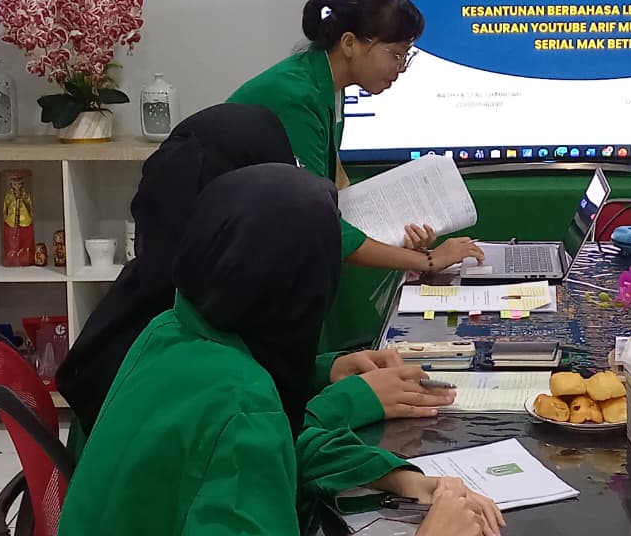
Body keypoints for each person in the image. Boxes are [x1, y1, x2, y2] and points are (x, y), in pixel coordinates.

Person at [58, 164, 504, 536]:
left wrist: (398, 477)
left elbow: (280, 448)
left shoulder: (171, 329)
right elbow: (249, 441)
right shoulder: (244, 400)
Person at [55, 103, 453, 457]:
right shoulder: (166, 344)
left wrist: (326, 371)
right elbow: (242, 442)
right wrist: (350, 402)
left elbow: (245, 383)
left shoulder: (174, 300)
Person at [229, 0, 485, 274]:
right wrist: (428, 260)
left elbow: (335, 189)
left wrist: (397, 234)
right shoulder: (296, 98)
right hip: (237, 259)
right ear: (350, 43)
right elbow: (314, 220)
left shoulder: (329, 87)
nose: (401, 68)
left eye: (406, 56)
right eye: (396, 55)